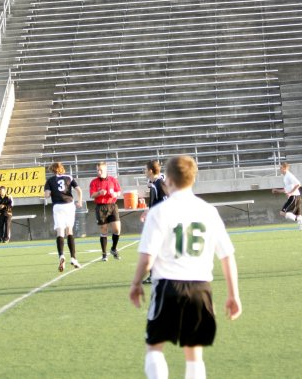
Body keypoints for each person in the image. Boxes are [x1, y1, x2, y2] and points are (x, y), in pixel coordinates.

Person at [129, 155, 242, 379]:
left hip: (167, 287)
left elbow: (147, 257)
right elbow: (227, 256)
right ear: (193, 178)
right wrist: (233, 295)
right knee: (194, 354)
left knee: (154, 347)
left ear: (168, 180)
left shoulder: (159, 212)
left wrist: (135, 284)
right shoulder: (208, 211)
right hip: (200, 288)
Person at [44, 162, 83, 271]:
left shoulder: (50, 180)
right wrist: (79, 201)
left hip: (58, 206)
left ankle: (61, 255)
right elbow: (78, 190)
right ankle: (73, 258)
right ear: (62, 169)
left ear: (52, 170)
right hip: (69, 205)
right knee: (69, 231)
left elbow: (47, 195)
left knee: (60, 232)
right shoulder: (69, 177)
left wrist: (45, 194)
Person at [142, 160, 169, 284]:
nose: (144, 171)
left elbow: (164, 202)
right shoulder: (156, 182)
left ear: (151, 171)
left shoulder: (158, 184)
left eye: (145, 169)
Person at [89, 161, 122, 261]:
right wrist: (99, 193)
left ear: (105, 170)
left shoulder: (113, 180)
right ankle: (104, 254)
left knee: (117, 229)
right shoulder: (94, 182)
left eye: (100, 170)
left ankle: (113, 248)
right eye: (97, 170)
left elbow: (119, 191)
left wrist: (115, 195)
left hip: (112, 206)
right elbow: (92, 195)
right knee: (104, 230)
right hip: (101, 207)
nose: (99, 172)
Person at [272, 162, 302, 236]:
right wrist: (277, 190)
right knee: (299, 216)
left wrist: (291, 193)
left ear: (285, 168)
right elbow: (286, 189)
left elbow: (298, 184)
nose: (280, 169)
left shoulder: (289, 175)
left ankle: (299, 221)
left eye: (281, 168)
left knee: (283, 213)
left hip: (294, 197)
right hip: (296, 197)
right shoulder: (285, 176)